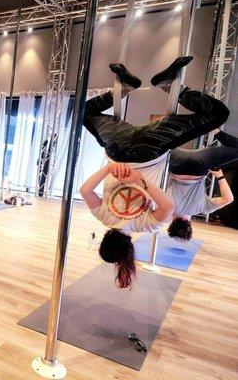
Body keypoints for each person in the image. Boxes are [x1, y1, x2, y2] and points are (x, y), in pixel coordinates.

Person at [81, 57, 230, 288]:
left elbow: (169, 207)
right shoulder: (103, 217)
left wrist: (139, 181)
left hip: (150, 148)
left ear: (129, 250)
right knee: (85, 112)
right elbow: (85, 190)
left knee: (217, 114)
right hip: (117, 146)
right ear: (104, 239)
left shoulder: (146, 227)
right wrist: (109, 168)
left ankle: (170, 85)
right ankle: (127, 87)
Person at [166, 130, 237, 240]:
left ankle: (215, 130)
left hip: (201, 164)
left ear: (190, 224)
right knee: (157, 143)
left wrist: (220, 176)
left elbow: (228, 199)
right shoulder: (167, 207)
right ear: (172, 222)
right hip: (177, 163)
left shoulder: (203, 208)